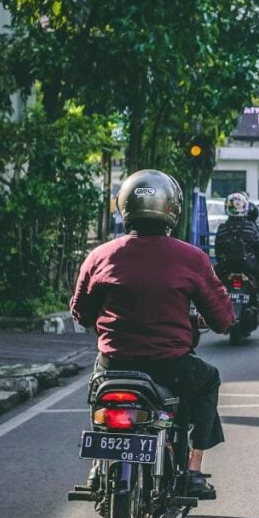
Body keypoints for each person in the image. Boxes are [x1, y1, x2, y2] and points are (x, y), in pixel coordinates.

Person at [71, 169, 234, 498]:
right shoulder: (192, 258)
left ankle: (95, 467)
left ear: (124, 206)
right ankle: (193, 470)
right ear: (172, 210)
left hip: (114, 363)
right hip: (170, 366)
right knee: (208, 379)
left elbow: (81, 313)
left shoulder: (100, 256)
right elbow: (223, 320)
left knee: (98, 391)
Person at [214, 193, 259, 314]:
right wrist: (258, 262)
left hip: (226, 266)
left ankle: (212, 306)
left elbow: (218, 251)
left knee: (212, 281)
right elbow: (258, 249)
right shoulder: (250, 227)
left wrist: (222, 262)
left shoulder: (222, 228)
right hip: (248, 266)